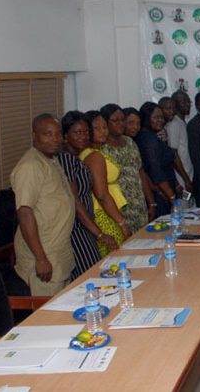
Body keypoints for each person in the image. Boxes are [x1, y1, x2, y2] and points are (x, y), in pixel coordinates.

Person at [11, 114, 75, 296]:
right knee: (49, 318)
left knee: (65, 312)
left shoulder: (50, 158)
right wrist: (40, 258)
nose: (55, 139)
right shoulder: (30, 166)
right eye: (47, 134)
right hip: (44, 255)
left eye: (58, 134)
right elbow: (25, 213)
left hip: (59, 252)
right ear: (34, 135)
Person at [59, 111, 109, 279]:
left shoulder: (76, 157)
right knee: (92, 275)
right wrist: (100, 234)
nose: (83, 136)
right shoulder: (65, 159)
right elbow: (75, 201)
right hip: (76, 229)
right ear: (65, 135)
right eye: (77, 132)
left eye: (86, 132)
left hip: (87, 225)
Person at [80, 111, 129, 256]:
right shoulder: (94, 156)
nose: (103, 131)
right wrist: (122, 223)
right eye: (96, 128)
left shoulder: (93, 151)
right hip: (104, 214)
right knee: (117, 258)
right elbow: (101, 194)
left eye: (104, 127)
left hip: (107, 211)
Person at [101, 104, 155, 232]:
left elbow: (140, 171)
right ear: (106, 123)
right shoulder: (101, 148)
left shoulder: (130, 142)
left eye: (122, 120)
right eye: (115, 120)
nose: (120, 123)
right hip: (119, 208)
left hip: (139, 204)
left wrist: (151, 202)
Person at [135, 102, 179, 215]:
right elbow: (156, 171)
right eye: (156, 117)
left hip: (161, 192)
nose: (160, 120)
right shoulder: (149, 140)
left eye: (161, 117)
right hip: (161, 195)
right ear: (146, 119)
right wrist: (171, 196)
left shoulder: (150, 136)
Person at [166, 91, 194, 194]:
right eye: (183, 102)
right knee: (182, 209)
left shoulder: (182, 122)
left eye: (188, 101)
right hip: (181, 178)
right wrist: (186, 180)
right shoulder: (173, 124)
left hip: (188, 175)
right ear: (175, 104)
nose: (187, 104)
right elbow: (173, 154)